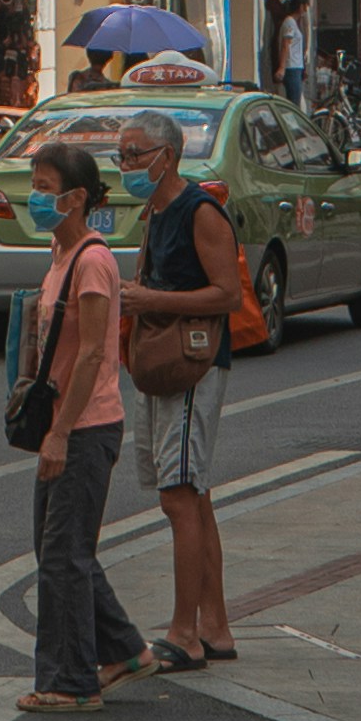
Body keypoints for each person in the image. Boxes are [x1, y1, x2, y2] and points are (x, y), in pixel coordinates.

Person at [115, 109, 246, 673]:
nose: (126, 165)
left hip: (192, 365)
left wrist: (152, 301)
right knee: (194, 495)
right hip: (162, 365)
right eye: (121, 155)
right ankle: (214, 625)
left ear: (166, 155)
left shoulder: (200, 211)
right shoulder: (156, 211)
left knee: (179, 494)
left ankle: (184, 632)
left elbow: (228, 295)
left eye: (135, 155)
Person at [22, 137, 145, 715]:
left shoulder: (93, 261)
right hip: (68, 422)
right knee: (63, 550)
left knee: (62, 557)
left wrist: (60, 433)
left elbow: (94, 354)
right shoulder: (60, 256)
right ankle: (125, 649)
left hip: (86, 426)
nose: (35, 197)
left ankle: (72, 682)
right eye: (35, 186)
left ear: (75, 198)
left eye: (45, 189)